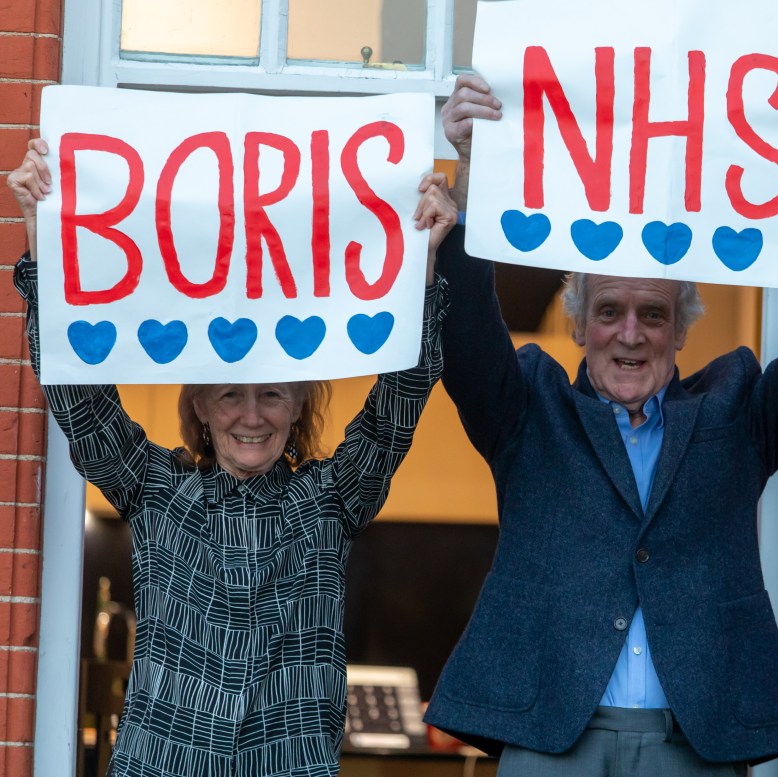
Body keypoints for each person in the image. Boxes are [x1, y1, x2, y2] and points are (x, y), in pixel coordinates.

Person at [422, 74, 778, 776]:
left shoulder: (735, 413)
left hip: (693, 741)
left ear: (681, 332)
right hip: (553, 733)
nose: (630, 333)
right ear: (578, 324)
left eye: (653, 314)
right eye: (609, 310)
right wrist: (468, 171)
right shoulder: (527, 408)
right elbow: (465, 334)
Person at [8, 138, 457, 777]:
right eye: (230, 395)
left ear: (299, 404)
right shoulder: (155, 489)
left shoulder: (331, 500)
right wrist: (42, 236)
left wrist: (423, 261)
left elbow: (398, 402)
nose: (251, 416)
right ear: (201, 407)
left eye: (272, 394)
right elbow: (78, 396)